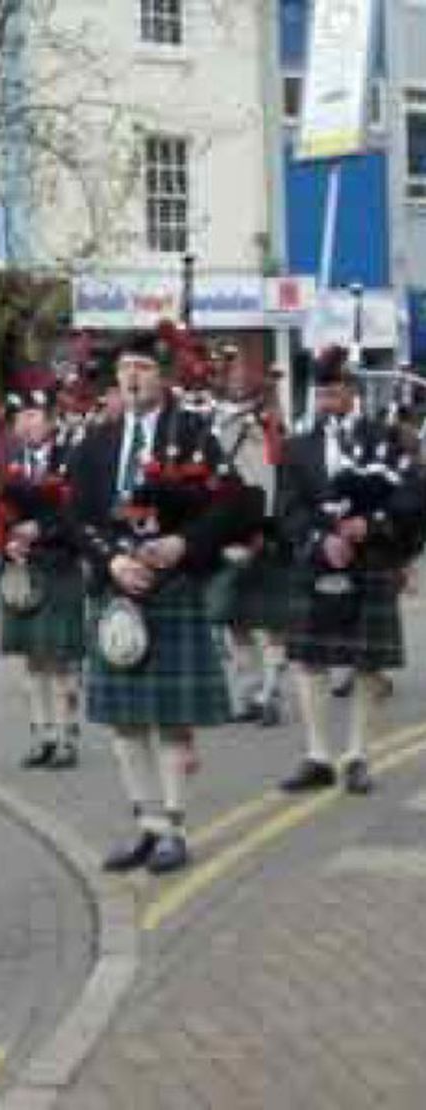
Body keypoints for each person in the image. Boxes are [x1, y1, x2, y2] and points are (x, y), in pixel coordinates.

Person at [69, 333, 261, 874]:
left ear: (164, 377)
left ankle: (175, 827)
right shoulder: (97, 443)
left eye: (144, 369)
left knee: (171, 720)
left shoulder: (195, 435)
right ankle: (146, 826)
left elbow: (234, 506)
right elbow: (78, 517)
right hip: (117, 588)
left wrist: (183, 543)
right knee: (125, 721)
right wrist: (110, 562)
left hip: (171, 585)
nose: (132, 379)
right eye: (126, 369)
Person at [279, 347, 426, 795]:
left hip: (371, 560)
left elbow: (412, 498)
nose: (329, 398)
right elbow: (286, 510)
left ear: (353, 392)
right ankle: (318, 756)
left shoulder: (385, 436)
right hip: (318, 562)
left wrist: (371, 525)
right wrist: (321, 540)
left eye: (337, 390)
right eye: (322, 391)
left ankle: (359, 755)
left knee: (366, 664)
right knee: (310, 662)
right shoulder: (297, 447)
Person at [0, 374, 85, 770]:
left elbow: (80, 514)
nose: (28, 423)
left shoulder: (72, 458)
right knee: (31, 658)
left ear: (50, 419)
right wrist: (7, 541)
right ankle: (41, 734)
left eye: (35, 415)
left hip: (57, 564)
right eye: (23, 416)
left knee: (59, 657)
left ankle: (67, 735)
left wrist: (41, 530)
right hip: (20, 568)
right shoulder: (6, 464)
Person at [206, 348, 291, 726]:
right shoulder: (214, 422)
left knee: (269, 624)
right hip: (227, 533)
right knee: (234, 621)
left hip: (265, 533)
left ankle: (271, 693)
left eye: (242, 378)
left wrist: (263, 531)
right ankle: (249, 692)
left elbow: (273, 478)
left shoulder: (270, 424)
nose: (235, 383)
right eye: (231, 378)